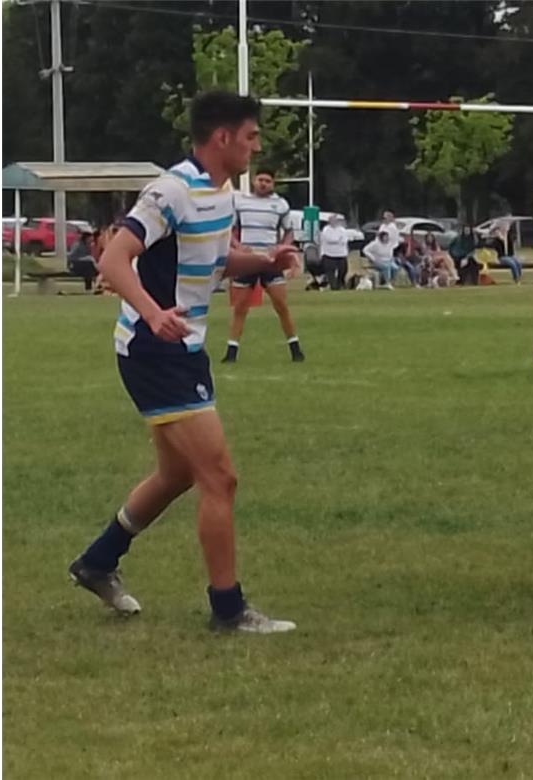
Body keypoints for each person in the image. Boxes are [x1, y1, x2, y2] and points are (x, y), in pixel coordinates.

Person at [66, 91, 297, 633]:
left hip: (182, 348)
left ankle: (97, 562)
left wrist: (263, 260)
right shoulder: (171, 191)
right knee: (220, 476)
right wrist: (151, 314)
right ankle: (229, 610)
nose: (255, 147)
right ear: (222, 138)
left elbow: (215, 261)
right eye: (250, 137)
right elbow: (113, 260)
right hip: (154, 350)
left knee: (176, 475)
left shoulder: (219, 194)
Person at [224, 168, 303, 363]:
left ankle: (295, 349)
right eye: (260, 179)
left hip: (270, 262)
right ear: (253, 180)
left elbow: (289, 232)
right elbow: (230, 230)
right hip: (247, 261)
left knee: (281, 305)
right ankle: (231, 352)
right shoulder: (240, 202)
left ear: (273, 183)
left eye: (268, 180)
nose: (263, 183)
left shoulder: (280, 204)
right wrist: (239, 247)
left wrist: (282, 248)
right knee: (240, 307)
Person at [318, 213, 350, 291]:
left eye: (335, 220)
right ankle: (333, 286)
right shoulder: (326, 230)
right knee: (330, 272)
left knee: (343, 270)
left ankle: (340, 284)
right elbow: (330, 239)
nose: (334, 221)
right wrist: (337, 240)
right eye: (332, 220)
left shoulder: (342, 230)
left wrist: (338, 240)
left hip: (341, 254)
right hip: (329, 254)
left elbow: (344, 240)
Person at [67, 226, 99, 292]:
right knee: (89, 264)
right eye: (90, 239)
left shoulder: (87, 246)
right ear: (86, 238)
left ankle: (94, 285)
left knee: (89, 268)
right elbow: (71, 257)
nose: (91, 240)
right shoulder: (78, 245)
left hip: (84, 266)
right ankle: (92, 286)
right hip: (75, 265)